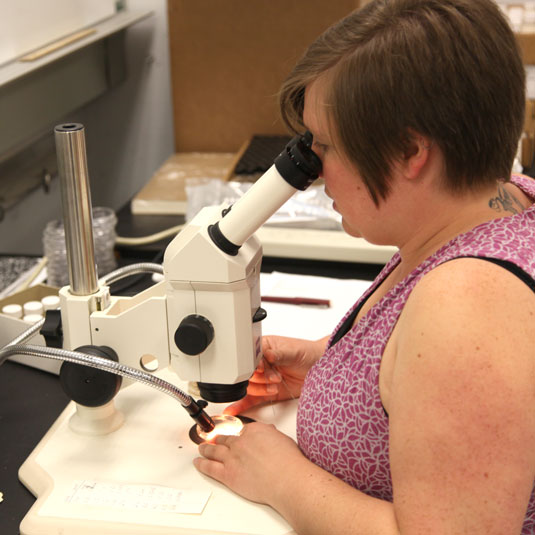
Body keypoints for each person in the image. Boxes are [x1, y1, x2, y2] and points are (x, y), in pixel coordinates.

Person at [194, 0, 535, 533]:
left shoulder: (468, 303)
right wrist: (333, 370)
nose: (313, 172)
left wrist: (284, 478)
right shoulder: (506, 201)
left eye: (325, 147)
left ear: (408, 152)